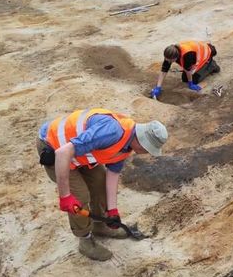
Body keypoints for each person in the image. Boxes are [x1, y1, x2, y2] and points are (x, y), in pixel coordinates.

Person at [36, 108, 168, 260]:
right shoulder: (111, 133)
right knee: (79, 196)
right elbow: (62, 153)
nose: (148, 153)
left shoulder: (127, 144)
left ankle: (101, 224)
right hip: (53, 146)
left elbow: (112, 175)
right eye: (148, 149)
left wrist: (112, 210)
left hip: (78, 152)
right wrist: (65, 196)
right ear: (142, 142)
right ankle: (84, 240)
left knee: (99, 181)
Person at [150, 40, 220, 99]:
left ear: (176, 58)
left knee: (193, 79)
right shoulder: (170, 53)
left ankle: (211, 66)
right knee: (185, 78)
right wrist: (158, 87)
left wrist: (191, 83)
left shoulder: (187, 55)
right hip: (196, 52)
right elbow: (163, 71)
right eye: (166, 59)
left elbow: (188, 70)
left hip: (206, 53)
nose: (168, 62)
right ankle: (205, 67)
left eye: (170, 61)